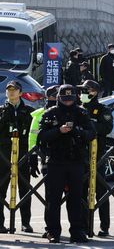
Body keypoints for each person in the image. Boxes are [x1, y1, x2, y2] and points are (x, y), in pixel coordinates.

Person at [39, 85, 95, 243]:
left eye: (71, 99)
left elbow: (91, 134)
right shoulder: (50, 114)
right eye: (65, 99)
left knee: (76, 198)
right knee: (53, 199)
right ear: (58, 98)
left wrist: (76, 131)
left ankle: (77, 231)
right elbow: (42, 136)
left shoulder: (82, 113)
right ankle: (52, 231)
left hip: (76, 160)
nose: (68, 102)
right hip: (56, 161)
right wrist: (59, 131)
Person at [78, 80, 113, 237]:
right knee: (81, 192)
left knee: (101, 191)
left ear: (95, 92)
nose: (84, 93)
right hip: (80, 155)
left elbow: (106, 128)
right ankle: (85, 226)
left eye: (87, 90)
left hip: (97, 155)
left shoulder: (101, 109)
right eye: (83, 90)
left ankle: (104, 226)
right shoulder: (77, 108)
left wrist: (89, 124)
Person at [0, 81, 35, 233]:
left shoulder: (29, 111)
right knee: (1, 189)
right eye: (9, 90)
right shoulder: (1, 111)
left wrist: (33, 158)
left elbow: (34, 135)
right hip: (3, 156)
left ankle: (25, 222)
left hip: (23, 155)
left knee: (25, 189)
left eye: (14, 90)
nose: (11, 92)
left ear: (20, 93)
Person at [29, 85, 58, 238]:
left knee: (76, 196)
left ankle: (81, 227)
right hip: (48, 158)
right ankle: (50, 228)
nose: (56, 99)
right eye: (54, 96)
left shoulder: (73, 111)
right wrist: (33, 157)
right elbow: (33, 137)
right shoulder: (40, 114)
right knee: (51, 197)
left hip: (72, 159)